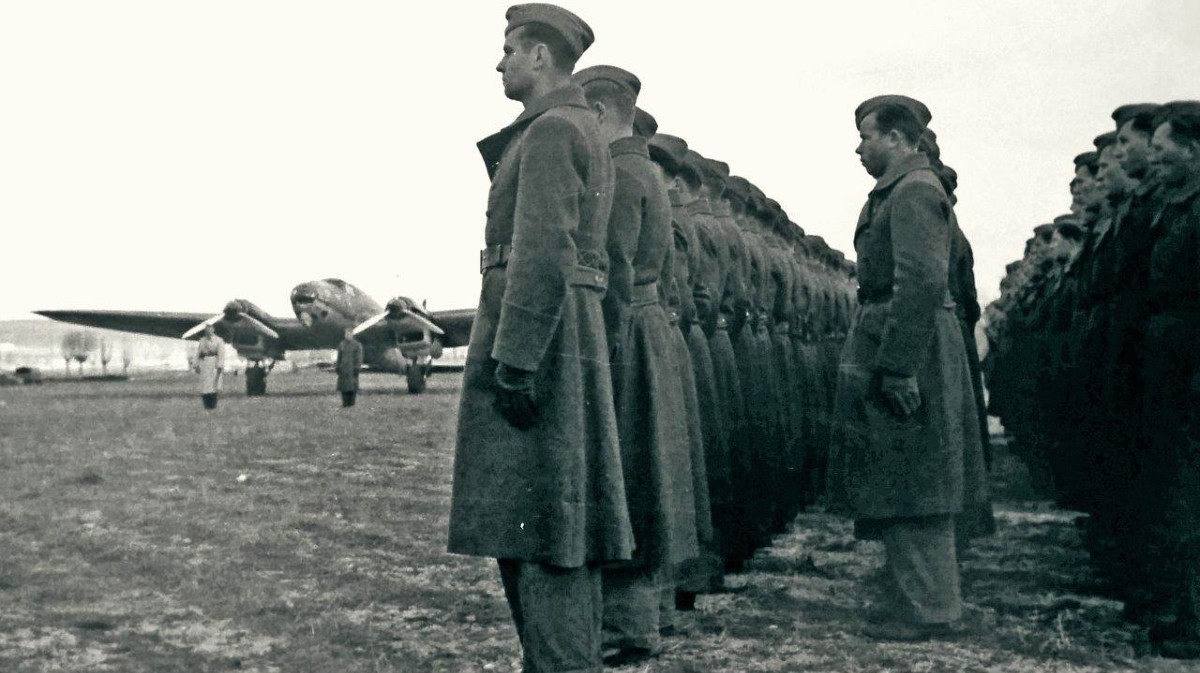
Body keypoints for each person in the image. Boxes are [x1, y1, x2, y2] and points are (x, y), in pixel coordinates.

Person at [445, 6, 632, 673]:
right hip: (566, 333)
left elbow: (544, 249)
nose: (500, 63)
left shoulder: (551, 132)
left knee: (546, 522)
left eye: (509, 50)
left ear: (541, 57)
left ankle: (558, 662)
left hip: (539, 340)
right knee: (551, 518)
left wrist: (517, 359)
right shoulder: (577, 129)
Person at [828, 95, 975, 641]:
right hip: (899, 336)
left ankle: (931, 608)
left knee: (916, 474)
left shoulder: (913, 191)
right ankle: (916, 598)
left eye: (867, 136)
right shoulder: (904, 189)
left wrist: (897, 368)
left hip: (910, 343)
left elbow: (921, 281)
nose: (859, 147)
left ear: (896, 138)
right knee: (901, 469)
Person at [575, 67, 697, 667]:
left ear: (598, 113)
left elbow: (616, 271)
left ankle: (626, 627)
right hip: (649, 328)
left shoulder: (619, 172)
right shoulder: (646, 168)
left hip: (624, 333)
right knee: (651, 474)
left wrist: (602, 351)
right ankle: (652, 613)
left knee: (624, 476)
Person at [196, 324, 225, 410]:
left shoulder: (219, 340)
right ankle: (206, 405)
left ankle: (212, 405)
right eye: (206, 329)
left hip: (214, 363)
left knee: (213, 384)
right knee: (205, 385)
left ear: (213, 330)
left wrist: (220, 365)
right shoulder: (202, 340)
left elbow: (221, 353)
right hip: (204, 363)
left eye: (210, 329)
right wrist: (196, 364)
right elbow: (198, 353)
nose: (208, 331)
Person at [335, 327, 363, 407]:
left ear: (352, 334)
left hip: (352, 368)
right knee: (343, 387)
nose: (347, 335)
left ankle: (351, 403)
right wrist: (337, 366)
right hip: (343, 368)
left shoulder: (357, 345)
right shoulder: (342, 344)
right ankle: (345, 403)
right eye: (346, 334)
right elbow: (339, 356)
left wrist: (357, 367)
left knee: (352, 386)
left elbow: (359, 357)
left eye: (349, 334)